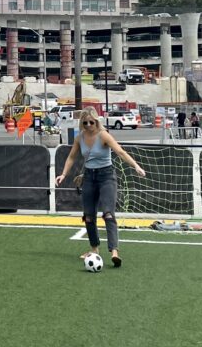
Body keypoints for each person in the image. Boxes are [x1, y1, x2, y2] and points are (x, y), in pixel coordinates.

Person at [55, 107, 146, 268]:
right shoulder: (80, 138)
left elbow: (120, 152)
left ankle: (114, 252)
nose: (89, 125)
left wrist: (136, 166)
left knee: (108, 214)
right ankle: (94, 250)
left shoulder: (104, 136)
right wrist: (63, 174)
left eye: (92, 122)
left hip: (106, 177)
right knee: (89, 216)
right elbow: (71, 157)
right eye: (85, 122)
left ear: (97, 121)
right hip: (89, 177)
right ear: (81, 123)